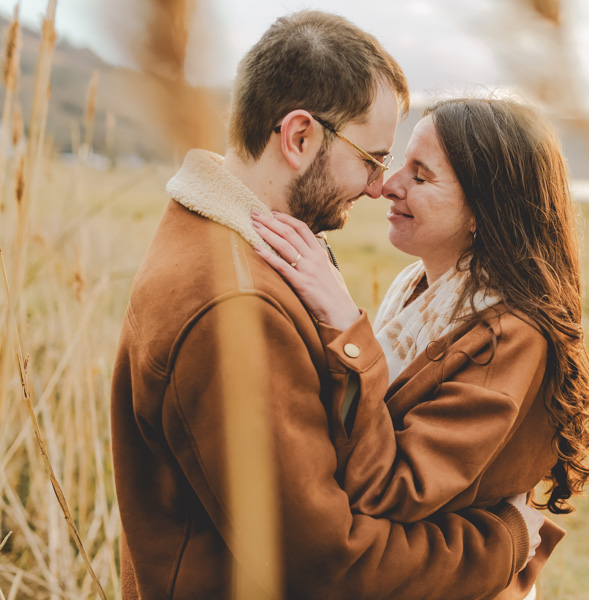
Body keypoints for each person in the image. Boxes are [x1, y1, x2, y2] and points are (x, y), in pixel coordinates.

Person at [110, 12, 544, 600]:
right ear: (299, 137)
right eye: (371, 158)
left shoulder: (234, 250)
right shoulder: (234, 310)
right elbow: (332, 566)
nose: (377, 186)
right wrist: (508, 541)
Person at [252, 97, 589, 598]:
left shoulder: (509, 336)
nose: (386, 185)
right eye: (400, 166)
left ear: (485, 210)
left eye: (421, 175)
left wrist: (344, 323)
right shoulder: (417, 287)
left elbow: (392, 488)